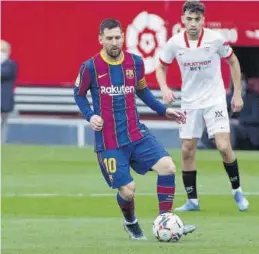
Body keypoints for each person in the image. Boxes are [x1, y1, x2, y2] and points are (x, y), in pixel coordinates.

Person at [74, 18, 196, 240]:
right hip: (109, 141)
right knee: (128, 190)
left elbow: (142, 91)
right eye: (109, 38)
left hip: (136, 134)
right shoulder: (90, 67)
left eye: (117, 37)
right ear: (100, 39)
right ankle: (131, 223)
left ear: (123, 37)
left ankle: (165, 222)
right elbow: (79, 94)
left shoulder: (135, 63)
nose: (114, 42)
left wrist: (163, 110)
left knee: (168, 167)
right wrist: (90, 115)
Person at [156, 1, 249, 212]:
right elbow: (160, 67)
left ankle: (237, 191)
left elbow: (233, 62)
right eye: (189, 19)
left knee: (223, 146)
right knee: (187, 149)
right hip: (190, 102)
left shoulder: (215, 40)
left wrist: (236, 93)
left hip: (214, 99)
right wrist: (165, 89)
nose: (193, 24)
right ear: (182, 20)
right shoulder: (174, 43)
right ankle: (192, 201)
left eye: (197, 20)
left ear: (203, 21)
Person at [1, 40, 17, 144]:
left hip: (4, 99)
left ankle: (2, 142)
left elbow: (4, 74)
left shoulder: (11, 65)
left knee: (3, 122)